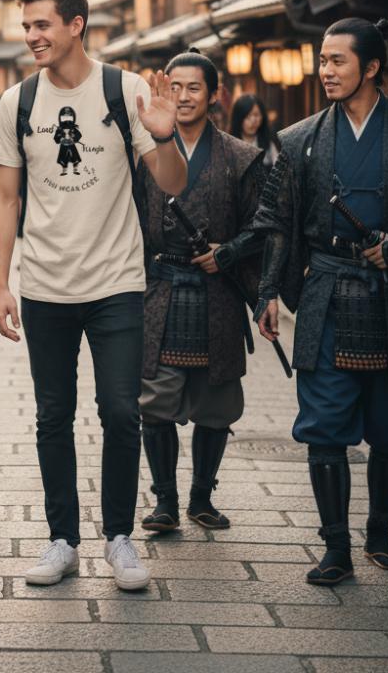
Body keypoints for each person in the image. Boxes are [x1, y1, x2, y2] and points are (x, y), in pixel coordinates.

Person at [253, 18, 388, 586]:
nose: (325, 71)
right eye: (321, 61)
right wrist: (268, 291)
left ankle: (380, 531)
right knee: (324, 425)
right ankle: (334, 548)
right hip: (326, 287)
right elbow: (275, 221)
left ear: (371, 67)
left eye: (337, 61)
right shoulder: (300, 140)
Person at [0, 0, 186, 592]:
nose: (31, 36)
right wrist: (0, 285)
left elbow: (173, 184)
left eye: (42, 24)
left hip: (117, 281)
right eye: (26, 27)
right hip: (45, 284)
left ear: (75, 25)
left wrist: (163, 132)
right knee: (53, 416)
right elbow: (4, 197)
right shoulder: (17, 102)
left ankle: (120, 538)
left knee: (122, 411)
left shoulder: (122, 90)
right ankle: (62, 540)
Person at [138, 50, 265, 535]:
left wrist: (229, 252)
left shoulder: (241, 156)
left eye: (195, 88)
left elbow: (264, 225)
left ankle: (201, 498)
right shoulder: (144, 151)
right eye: (176, 87)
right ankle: (165, 501)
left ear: (215, 95)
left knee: (216, 402)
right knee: (155, 400)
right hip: (161, 287)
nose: (184, 97)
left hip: (219, 292)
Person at [229, 93, 280, 168]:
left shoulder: (268, 145)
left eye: (256, 115)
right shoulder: (229, 146)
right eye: (248, 116)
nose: (253, 121)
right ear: (239, 118)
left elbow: (279, 170)